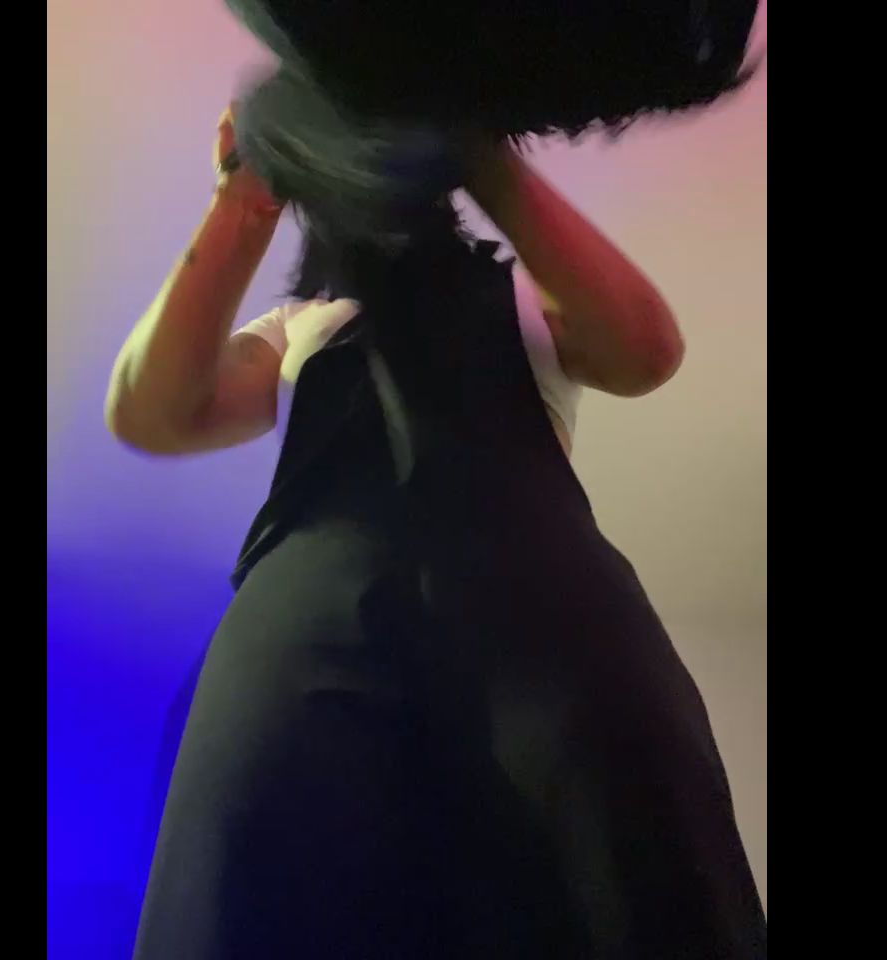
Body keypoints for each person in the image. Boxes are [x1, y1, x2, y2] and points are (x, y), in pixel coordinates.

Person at [107, 106, 766, 958]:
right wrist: (243, 197)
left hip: (537, 600)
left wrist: (481, 148)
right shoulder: (299, 325)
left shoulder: (530, 298)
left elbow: (645, 350)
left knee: (621, 867)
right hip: (333, 602)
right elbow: (153, 410)